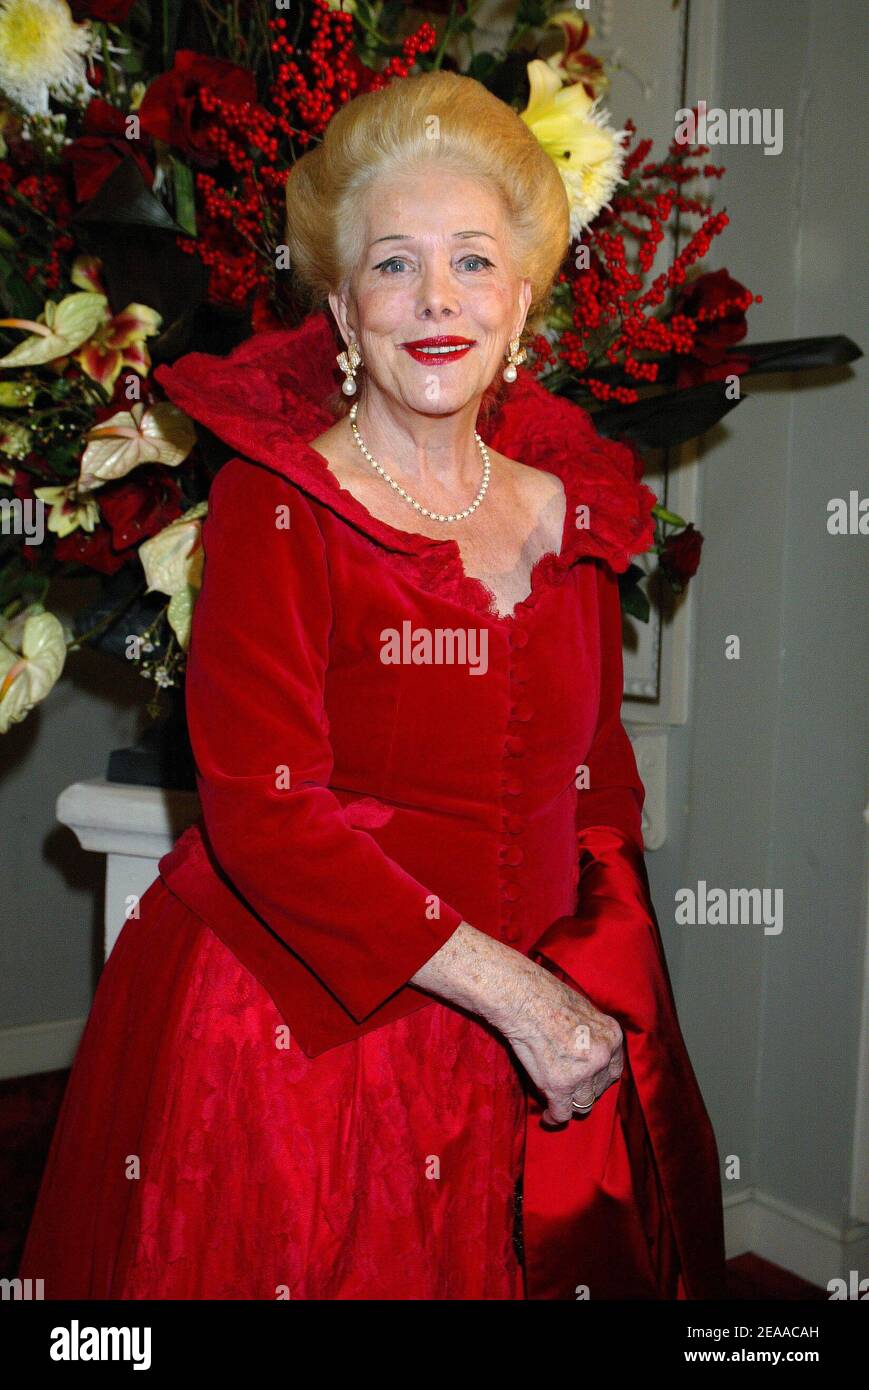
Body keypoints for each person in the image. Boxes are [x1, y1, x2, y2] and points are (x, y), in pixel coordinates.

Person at [20, 71, 726, 1300]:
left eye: (470, 261)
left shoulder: (571, 508)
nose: (435, 297)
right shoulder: (275, 503)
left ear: (521, 302)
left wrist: (602, 997)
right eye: (393, 266)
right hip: (302, 1050)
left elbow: (594, 782)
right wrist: (517, 997)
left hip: (517, 1049)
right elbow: (264, 816)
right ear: (343, 312)